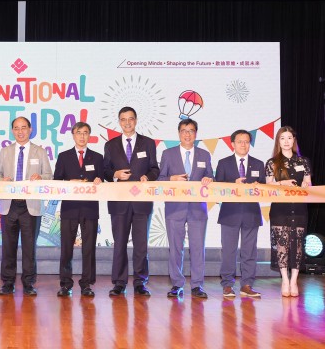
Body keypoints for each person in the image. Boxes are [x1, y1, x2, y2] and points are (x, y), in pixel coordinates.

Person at [102, 107, 159, 297]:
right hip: (119, 202)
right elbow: (105, 171)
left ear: (136, 120)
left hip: (142, 202)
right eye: (123, 119)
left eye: (131, 119)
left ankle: (140, 282)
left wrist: (148, 177)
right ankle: (119, 282)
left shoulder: (148, 143)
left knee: (141, 245)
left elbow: (155, 169)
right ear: (119, 122)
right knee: (119, 243)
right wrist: (115, 174)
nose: (127, 123)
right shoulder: (110, 145)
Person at [0, 116, 52, 296]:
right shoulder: (5, 151)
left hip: (31, 206)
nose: (20, 131)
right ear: (12, 131)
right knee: (8, 247)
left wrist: (40, 178)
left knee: (29, 248)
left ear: (30, 129)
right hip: (9, 205)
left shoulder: (39, 152)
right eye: (16, 128)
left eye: (23, 127)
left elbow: (49, 175)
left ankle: (28, 283)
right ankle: (7, 283)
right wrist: (2, 180)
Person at [157, 118, 213, 299]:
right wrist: (171, 179)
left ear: (196, 134)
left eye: (191, 130)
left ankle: (197, 285)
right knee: (175, 248)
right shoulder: (168, 154)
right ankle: (177, 284)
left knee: (198, 248)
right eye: (184, 130)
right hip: (175, 207)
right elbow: (160, 180)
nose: (187, 134)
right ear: (179, 133)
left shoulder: (205, 155)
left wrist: (209, 180)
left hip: (198, 209)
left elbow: (211, 177)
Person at [54, 122, 103, 297]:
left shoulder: (97, 157)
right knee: (66, 247)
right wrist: (69, 183)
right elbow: (56, 181)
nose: (82, 136)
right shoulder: (64, 156)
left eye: (85, 133)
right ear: (73, 135)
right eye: (79, 133)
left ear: (89, 136)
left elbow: (103, 179)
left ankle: (86, 284)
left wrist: (99, 180)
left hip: (90, 208)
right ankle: (65, 283)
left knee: (89, 248)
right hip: (69, 208)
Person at [214, 129, 266, 298]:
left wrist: (259, 186)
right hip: (230, 213)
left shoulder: (258, 164)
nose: (243, 144)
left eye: (246, 141)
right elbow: (217, 189)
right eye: (240, 141)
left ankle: (247, 284)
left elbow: (265, 189)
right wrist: (232, 184)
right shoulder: (223, 163)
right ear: (233, 144)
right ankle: (228, 284)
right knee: (229, 250)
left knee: (249, 251)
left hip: (251, 213)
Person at [265, 126, 312, 297]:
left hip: (299, 207)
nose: (286, 141)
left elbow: (309, 184)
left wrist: (307, 185)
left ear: (294, 140)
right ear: (278, 141)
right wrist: (281, 184)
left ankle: (294, 281)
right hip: (280, 208)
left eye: (289, 138)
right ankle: (285, 280)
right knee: (282, 245)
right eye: (282, 138)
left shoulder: (303, 162)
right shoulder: (272, 163)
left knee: (298, 244)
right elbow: (267, 185)